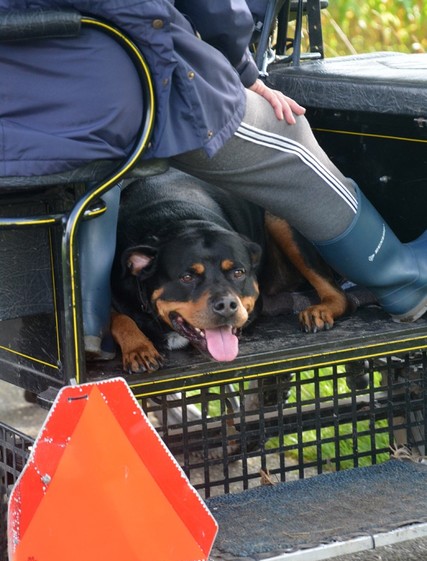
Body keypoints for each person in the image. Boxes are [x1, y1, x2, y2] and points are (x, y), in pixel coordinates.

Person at [1, 0, 426, 359]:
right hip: (118, 92)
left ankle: (89, 328)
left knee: (95, 180)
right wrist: (244, 70)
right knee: (289, 133)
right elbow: (218, 10)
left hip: (15, 120)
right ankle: (401, 280)